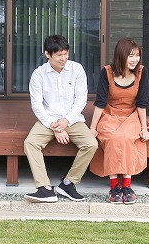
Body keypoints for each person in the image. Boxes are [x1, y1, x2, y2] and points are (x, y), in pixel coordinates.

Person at [23, 34, 98, 203]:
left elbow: (81, 100)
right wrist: (54, 126)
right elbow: (37, 105)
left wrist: (66, 121)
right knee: (30, 143)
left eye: (66, 53)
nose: (64, 58)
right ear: (47, 54)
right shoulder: (39, 74)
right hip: (48, 120)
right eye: (59, 55)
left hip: (72, 119)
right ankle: (44, 188)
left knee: (91, 144)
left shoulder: (77, 69)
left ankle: (68, 184)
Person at [89, 38, 149, 204]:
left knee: (124, 137)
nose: (135, 59)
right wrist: (92, 127)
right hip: (110, 115)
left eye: (137, 55)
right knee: (112, 138)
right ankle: (114, 186)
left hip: (131, 115)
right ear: (121, 55)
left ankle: (127, 186)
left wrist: (144, 128)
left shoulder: (142, 72)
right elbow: (100, 102)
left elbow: (142, 103)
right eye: (131, 55)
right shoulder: (107, 72)